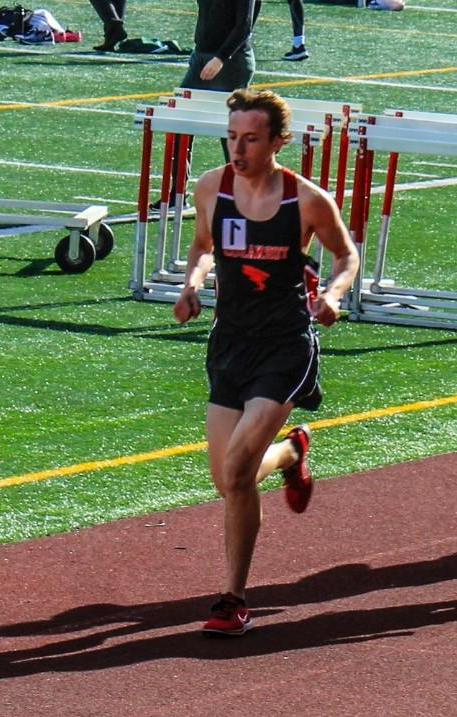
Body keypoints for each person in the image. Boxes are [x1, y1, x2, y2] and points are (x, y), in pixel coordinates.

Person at [172, 89, 359, 637]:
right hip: (229, 343)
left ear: (279, 141)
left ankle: (232, 599)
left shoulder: (305, 199)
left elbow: (346, 254)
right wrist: (192, 285)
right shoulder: (214, 187)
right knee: (229, 480)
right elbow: (204, 244)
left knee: (233, 472)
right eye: (232, 137)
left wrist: (335, 293)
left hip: (284, 346)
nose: (238, 148)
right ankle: (290, 452)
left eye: (250, 139)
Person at [181, 0, 259, 93]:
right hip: (200, 56)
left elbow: (244, 26)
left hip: (230, 61)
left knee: (223, 106)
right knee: (183, 102)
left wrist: (220, 58)